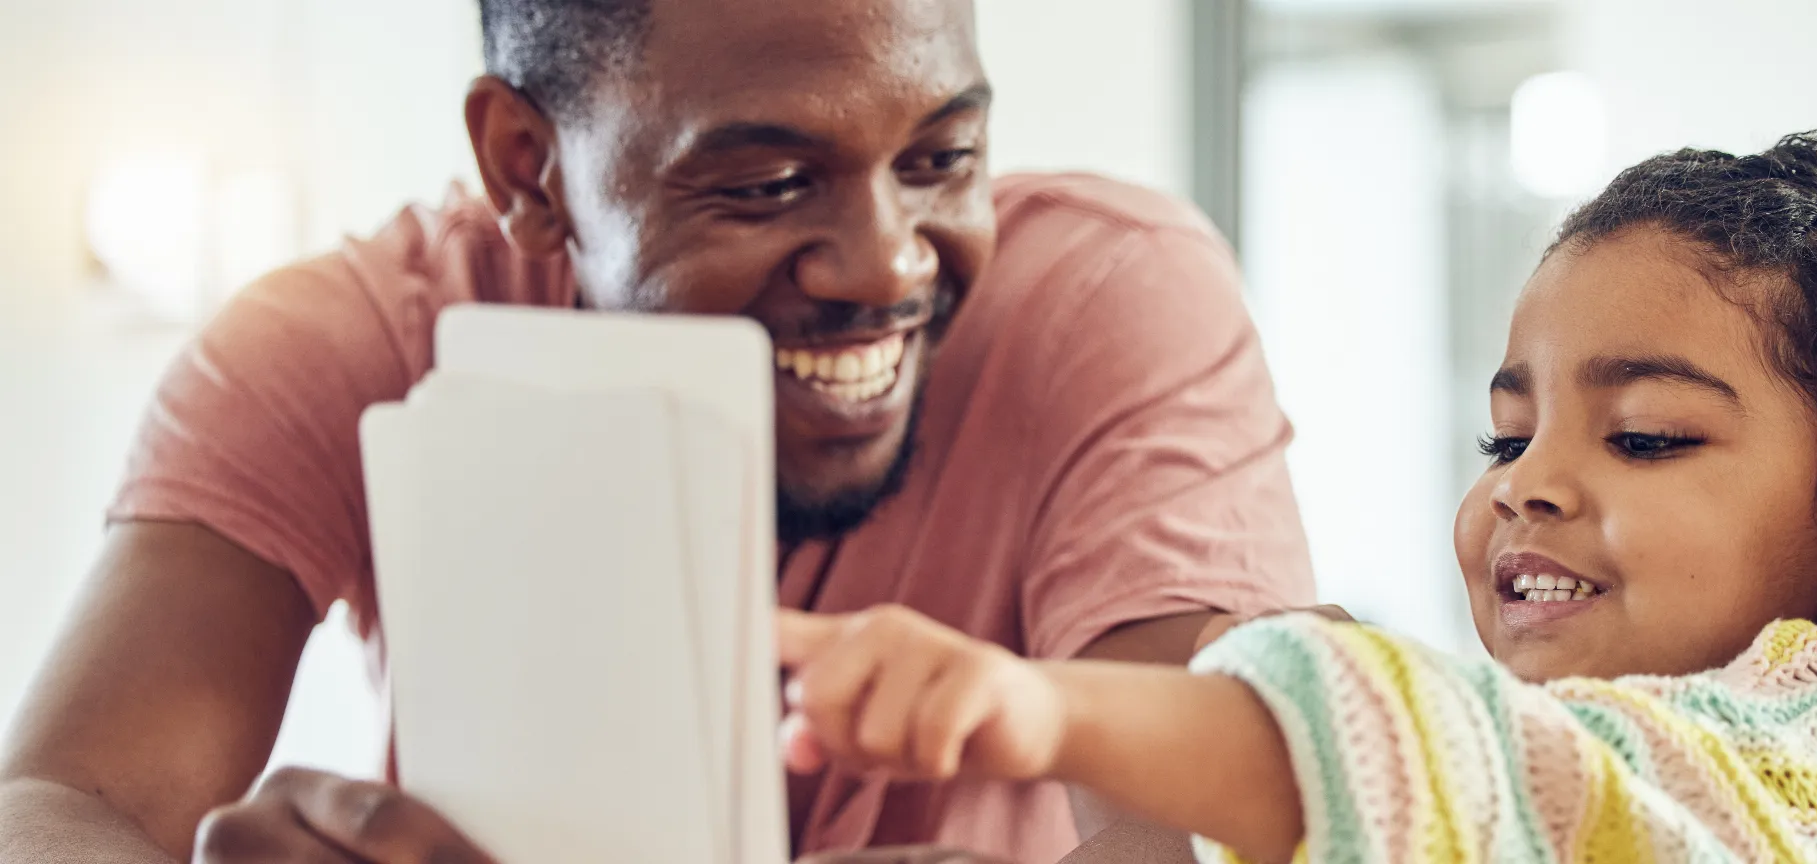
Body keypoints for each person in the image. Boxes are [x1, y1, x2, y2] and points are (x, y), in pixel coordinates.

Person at [0, 1, 1319, 862]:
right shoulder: (347, 342)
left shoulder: (1108, 294)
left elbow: (1215, 821)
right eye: (765, 184)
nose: (885, 265)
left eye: (939, 160)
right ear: (528, 165)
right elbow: (62, 806)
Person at [768, 133, 1817, 863]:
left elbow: (1510, 775)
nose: (1530, 489)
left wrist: (1045, 711)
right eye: (1503, 440)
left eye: (1648, 437)